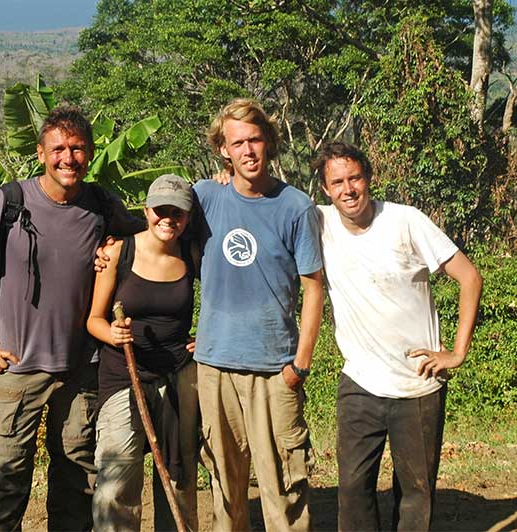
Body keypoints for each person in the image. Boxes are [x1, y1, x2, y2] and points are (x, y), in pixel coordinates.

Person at [0, 105, 144, 532]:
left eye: (78, 149)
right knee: (3, 493)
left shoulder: (102, 205)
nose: (68, 158)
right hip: (14, 371)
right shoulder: (11, 202)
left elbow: (152, 228)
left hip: (79, 371)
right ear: (40, 153)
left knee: (75, 490)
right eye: (58, 149)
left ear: (90, 153)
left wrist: (209, 194)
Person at [312, 142, 483, 531]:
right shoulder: (318, 223)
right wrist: (226, 180)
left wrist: (457, 352)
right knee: (353, 489)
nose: (348, 189)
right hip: (360, 382)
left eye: (354, 178)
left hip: (418, 384)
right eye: (337, 182)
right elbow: (263, 201)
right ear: (325, 189)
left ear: (369, 178)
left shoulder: (406, 221)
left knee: (415, 494)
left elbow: (470, 277)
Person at [194, 98, 324, 531]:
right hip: (215, 367)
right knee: (224, 487)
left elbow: (313, 287)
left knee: (283, 486)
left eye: (254, 139)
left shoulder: (295, 207)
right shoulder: (205, 197)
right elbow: (157, 228)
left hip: (274, 368)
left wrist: (300, 364)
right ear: (223, 150)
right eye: (237, 143)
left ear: (268, 142)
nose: (247, 150)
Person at [87, 173, 199, 532]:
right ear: (146, 210)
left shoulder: (191, 252)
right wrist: (113, 333)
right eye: (160, 210)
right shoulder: (119, 252)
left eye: (177, 213)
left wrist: (207, 337)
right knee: (116, 481)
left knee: (178, 480)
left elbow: (223, 294)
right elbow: (93, 319)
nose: (168, 219)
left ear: (188, 217)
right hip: (124, 375)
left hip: (177, 377)